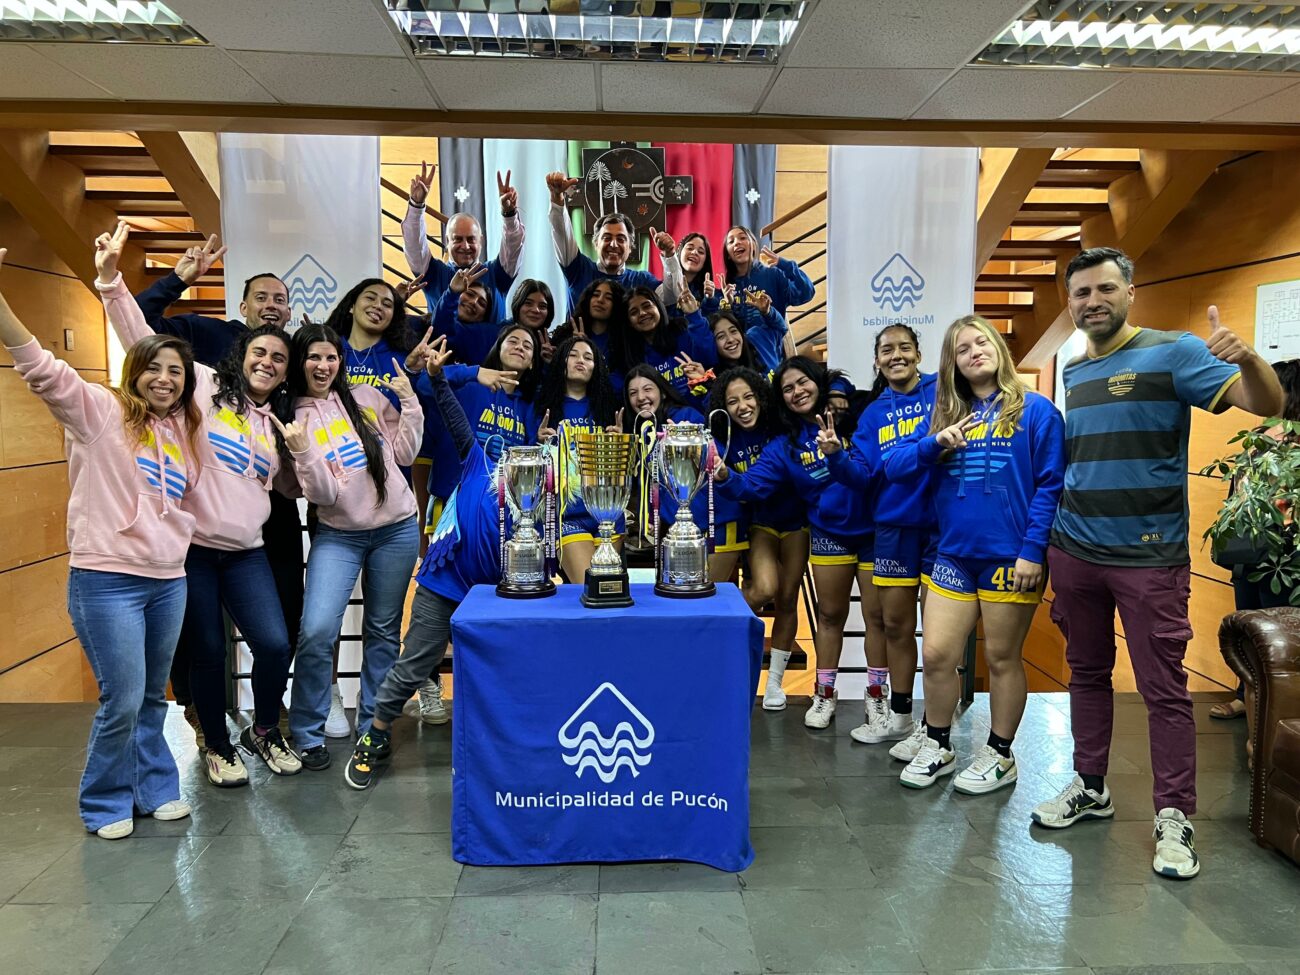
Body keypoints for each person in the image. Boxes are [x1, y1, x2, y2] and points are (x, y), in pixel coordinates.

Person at [1033, 246, 1284, 881]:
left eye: (1105, 289)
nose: (1093, 301)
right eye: (1081, 292)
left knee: (1163, 691)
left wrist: (1249, 357)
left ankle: (1175, 816)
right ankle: (1091, 786)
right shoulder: (1073, 369)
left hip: (1148, 558)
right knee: (1086, 675)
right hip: (1075, 552)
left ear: (1130, 292)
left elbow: (1271, 405)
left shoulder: (1174, 353)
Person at [0, 243, 201, 839]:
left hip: (169, 579)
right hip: (107, 580)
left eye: (176, 372)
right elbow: (38, 363)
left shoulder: (185, 431)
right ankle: (105, 801)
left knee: (151, 697)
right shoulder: (97, 411)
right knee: (122, 696)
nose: (165, 380)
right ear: (133, 371)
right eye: (155, 368)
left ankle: (156, 787)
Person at [96, 223, 302, 786]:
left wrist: (304, 457)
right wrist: (127, 282)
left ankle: (263, 730)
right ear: (244, 353)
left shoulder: (277, 425)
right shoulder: (205, 389)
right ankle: (217, 744)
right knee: (208, 649)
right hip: (195, 550)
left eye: (278, 359)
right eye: (260, 353)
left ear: (286, 371)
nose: (268, 362)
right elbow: (141, 337)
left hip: (247, 553)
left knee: (276, 642)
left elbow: (291, 488)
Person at [836, 316, 1064, 793]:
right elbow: (893, 466)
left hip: (1010, 559)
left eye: (983, 342)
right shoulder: (944, 414)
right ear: (952, 363)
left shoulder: (1037, 411)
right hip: (953, 555)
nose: (974, 352)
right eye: (963, 349)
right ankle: (938, 742)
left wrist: (1031, 551)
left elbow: (1049, 486)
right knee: (938, 654)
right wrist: (933, 444)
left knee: (1001, 658)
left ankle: (1000, 755)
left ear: (999, 349)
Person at [344, 340, 506, 789]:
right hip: (445, 581)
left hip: (496, 595)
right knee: (414, 663)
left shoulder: (547, 499)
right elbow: (456, 422)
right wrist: (436, 378)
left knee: (497, 666)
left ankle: (497, 741)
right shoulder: (480, 464)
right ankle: (375, 735)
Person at [279, 324, 424, 771]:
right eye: (313, 358)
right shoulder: (287, 416)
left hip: (396, 527)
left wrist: (410, 401)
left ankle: (371, 729)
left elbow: (404, 453)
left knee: (382, 630)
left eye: (331, 357)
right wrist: (303, 453)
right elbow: (314, 494)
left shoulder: (362, 398)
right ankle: (306, 732)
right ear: (298, 361)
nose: (323, 367)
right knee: (318, 629)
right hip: (337, 533)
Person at [713, 357, 884, 729]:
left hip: (872, 533)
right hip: (827, 533)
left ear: (819, 382)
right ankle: (824, 695)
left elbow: (878, 395)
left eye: (803, 383)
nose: (797, 392)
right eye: (788, 388)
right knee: (828, 616)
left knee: (877, 619)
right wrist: (725, 476)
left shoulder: (853, 413)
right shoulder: (783, 446)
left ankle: (878, 698)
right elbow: (752, 485)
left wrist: (840, 393)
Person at [818, 325, 936, 746]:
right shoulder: (872, 414)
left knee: (939, 639)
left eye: (905, 347)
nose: (896, 355)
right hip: (892, 530)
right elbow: (862, 477)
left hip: (941, 528)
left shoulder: (944, 392)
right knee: (897, 627)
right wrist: (835, 457)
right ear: (876, 360)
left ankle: (935, 731)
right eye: (887, 350)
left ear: (919, 354)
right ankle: (900, 719)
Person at [706, 370, 809, 706]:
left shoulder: (781, 426)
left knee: (788, 599)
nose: (743, 406)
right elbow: (742, 485)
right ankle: (721, 630)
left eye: (748, 397)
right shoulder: (726, 436)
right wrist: (723, 473)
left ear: (761, 397)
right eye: (733, 401)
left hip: (797, 524)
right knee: (765, 588)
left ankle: (775, 683)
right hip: (761, 524)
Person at [536, 334, 621, 583]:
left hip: (608, 514)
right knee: (591, 586)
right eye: (572, 355)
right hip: (567, 516)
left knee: (609, 590)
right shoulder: (542, 407)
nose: (580, 361)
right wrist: (538, 443)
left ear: (597, 367)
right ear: (560, 362)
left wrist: (618, 445)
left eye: (588, 357)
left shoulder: (608, 408)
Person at [544, 171, 684, 313]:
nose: (613, 244)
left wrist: (670, 255)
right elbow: (561, 232)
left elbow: (672, 296)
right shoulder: (579, 270)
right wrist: (557, 198)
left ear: (630, 248)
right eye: (607, 238)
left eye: (621, 239)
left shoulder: (642, 281)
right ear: (596, 243)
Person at [402, 162, 523, 319]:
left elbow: (513, 246)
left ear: (481, 241)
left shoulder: (497, 274)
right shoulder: (433, 274)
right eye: (457, 239)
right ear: (447, 241)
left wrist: (509, 214)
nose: (465, 246)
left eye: (471, 240)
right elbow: (414, 245)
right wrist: (416, 205)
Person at [720, 225, 813, 364]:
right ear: (728, 253)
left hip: (770, 357)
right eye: (731, 241)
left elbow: (806, 293)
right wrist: (729, 304)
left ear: (752, 244)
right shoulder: (728, 286)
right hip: (739, 360)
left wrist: (786, 266)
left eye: (742, 237)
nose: (737, 242)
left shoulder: (773, 274)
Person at [612, 286, 718, 399]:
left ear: (659, 307)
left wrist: (694, 315)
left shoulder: (683, 331)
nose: (642, 313)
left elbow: (710, 358)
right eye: (634, 312)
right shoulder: (629, 357)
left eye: (647, 306)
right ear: (629, 322)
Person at [424, 264, 501, 366]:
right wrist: (453, 292)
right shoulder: (425, 323)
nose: (474, 302)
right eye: (469, 294)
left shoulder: (487, 334)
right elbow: (443, 327)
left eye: (482, 304)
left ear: (483, 316)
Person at [550, 279, 627, 366]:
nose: (600, 300)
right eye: (595, 295)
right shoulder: (566, 334)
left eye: (609, 298)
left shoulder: (624, 341)